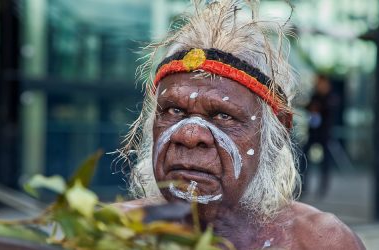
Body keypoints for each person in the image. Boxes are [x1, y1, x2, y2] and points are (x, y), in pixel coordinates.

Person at [117, 1, 365, 249]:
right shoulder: (108, 234)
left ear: (278, 133)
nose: (190, 135)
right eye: (174, 110)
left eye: (223, 116)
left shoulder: (320, 242)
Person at [299, 74, 336, 197]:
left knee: (325, 162)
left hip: (324, 134)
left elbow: (329, 110)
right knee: (304, 159)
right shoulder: (315, 95)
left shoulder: (329, 97)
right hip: (313, 134)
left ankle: (323, 187)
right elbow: (309, 106)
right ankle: (303, 186)